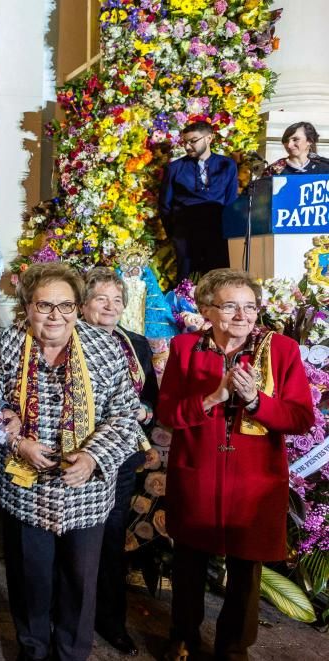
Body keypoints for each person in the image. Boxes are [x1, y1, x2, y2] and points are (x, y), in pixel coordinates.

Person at [0, 262, 143, 661]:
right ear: (26, 307)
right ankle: (32, 649)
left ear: (78, 307)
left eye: (66, 306)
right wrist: (16, 441)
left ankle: (71, 654)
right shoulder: (7, 347)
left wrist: (93, 456)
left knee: (79, 585)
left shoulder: (104, 348)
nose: (55, 316)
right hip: (25, 491)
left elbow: (124, 414)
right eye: (44, 306)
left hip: (87, 492)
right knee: (30, 581)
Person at [157, 268, 314, 661]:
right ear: (206, 310)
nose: (243, 316)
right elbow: (168, 414)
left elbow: (301, 418)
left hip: (254, 480)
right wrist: (214, 397)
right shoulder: (184, 348)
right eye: (230, 306)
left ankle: (234, 647)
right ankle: (184, 636)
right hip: (198, 472)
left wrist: (258, 402)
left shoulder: (281, 350)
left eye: (250, 307)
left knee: (246, 570)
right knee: (189, 563)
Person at [80, 267, 159, 657]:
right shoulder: (69, 341)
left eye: (117, 300)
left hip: (122, 458)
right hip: (79, 456)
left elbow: (153, 398)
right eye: (101, 299)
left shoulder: (138, 345)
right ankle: (72, 620)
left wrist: (144, 410)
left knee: (111, 538)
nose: (110, 307)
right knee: (77, 540)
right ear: (83, 304)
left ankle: (110, 621)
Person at [159, 121, 240, 281]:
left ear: (209, 138)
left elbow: (231, 201)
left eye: (193, 141)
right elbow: (164, 205)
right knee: (185, 281)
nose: (188, 146)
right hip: (186, 234)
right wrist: (175, 234)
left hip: (217, 234)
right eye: (185, 142)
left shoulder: (227, 165)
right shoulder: (174, 168)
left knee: (218, 279)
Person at [263, 121, 329, 176]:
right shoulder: (274, 170)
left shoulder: (324, 167)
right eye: (286, 141)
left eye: (295, 139)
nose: (289, 145)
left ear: (309, 141)